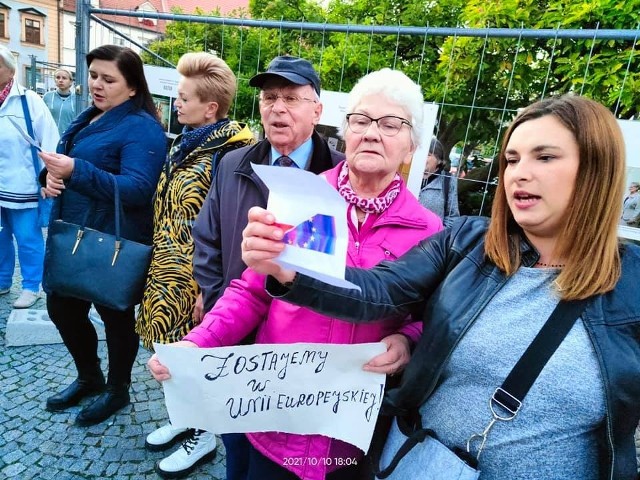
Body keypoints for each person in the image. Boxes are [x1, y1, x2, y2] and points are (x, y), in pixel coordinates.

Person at [241, 94, 640, 480]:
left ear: (597, 168)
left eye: (546, 156)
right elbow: (380, 290)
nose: (520, 172)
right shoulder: (465, 243)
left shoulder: (632, 285)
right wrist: (290, 272)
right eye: (512, 159)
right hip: (416, 463)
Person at [148, 67, 444, 480]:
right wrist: (199, 343)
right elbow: (252, 292)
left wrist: (407, 341)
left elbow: (428, 318)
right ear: (346, 132)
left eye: (391, 124)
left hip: (349, 430)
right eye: (361, 121)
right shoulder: (303, 198)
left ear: (412, 144)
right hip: (275, 415)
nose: (372, 133)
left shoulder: (427, 229)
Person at [143, 54, 345, 480]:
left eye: (292, 97)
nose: (278, 108)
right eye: (270, 97)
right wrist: (216, 298)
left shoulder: (340, 174)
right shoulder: (235, 164)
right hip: (237, 328)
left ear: (317, 109)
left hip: (302, 338)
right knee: (235, 431)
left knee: (291, 443)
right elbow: (208, 238)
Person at [134, 51, 255, 477]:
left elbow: (226, 225)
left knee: (198, 357)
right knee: (168, 354)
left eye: (184, 98)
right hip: (167, 266)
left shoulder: (228, 154)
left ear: (212, 108)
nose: (176, 104)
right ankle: (184, 418)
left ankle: (203, 436)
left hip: (197, 276)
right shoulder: (187, 142)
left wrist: (209, 288)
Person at [39, 45, 166, 427]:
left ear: (131, 87)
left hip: (113, 241)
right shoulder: (92, 116)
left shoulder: (142, 127)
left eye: (108, 79)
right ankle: (89, 376)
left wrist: (76, 170)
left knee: (115, 316)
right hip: (73, 234)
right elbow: (65, 169)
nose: (96, 84)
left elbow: (138, 189)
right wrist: (48, 179)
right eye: (93, 75)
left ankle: (118, 387)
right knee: (61, 307)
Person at [0, 44, 59, 309]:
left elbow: (50, 142)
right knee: (0, 237)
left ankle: (31, 286)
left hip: (22, 185)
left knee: (27, 238)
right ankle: (2, 281)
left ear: (7, 69)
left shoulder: (28, 101)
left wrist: (49, 178)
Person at [418, 137, 460, 227]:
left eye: (428, 154)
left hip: (432, 239)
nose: (422, 158)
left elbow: (452, 217)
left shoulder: (448, 180)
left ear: (439, 160)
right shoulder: (407, 176)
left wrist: (439, 237)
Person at [43, 68, 77, 135]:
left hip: (68, 138)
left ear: (70, 82)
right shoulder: (47, 96)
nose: (60, 80)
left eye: (64, 78)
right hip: (50, 137)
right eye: (58, 77)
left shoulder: (76, 99)